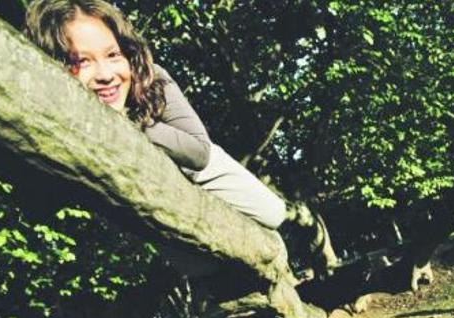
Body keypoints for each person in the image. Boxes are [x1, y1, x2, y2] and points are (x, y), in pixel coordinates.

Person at [24, 0, 286, 230]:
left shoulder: (153, 79)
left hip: (200, 170)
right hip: (166, 204)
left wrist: (124, 121)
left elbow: (198, 152)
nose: (105, 75)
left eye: (113, 54)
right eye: (80, 61)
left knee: (274, 212)